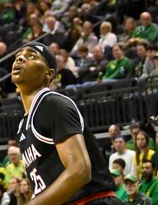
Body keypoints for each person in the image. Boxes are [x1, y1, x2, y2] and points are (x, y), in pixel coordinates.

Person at [10, 41, 119, 204]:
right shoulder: (23, 124)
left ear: (49, 73)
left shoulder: (52, 103)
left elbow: (80, 171)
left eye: (31, 56)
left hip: (90, 200)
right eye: (18, 57)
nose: (20, 59)